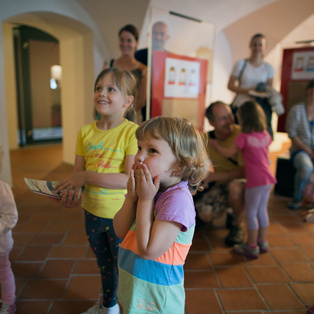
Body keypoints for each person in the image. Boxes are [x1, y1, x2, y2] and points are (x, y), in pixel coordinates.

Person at [55, 68, 138, 314]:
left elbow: (128, 179)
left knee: (125, 268)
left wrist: (85, 176)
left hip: (120, 217)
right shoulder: (85, 132)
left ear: (128, 100)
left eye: (111, 89)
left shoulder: (131, 132)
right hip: (91, 213)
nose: (102, 93)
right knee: (104, 266)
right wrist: (72, 194)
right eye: (98, 88)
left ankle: (133, 308)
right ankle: (109, 307)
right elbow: (78, 178)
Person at [113, 117, 210, 313]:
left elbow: (149, 250)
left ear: (180, 165)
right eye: (139, 147)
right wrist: (132, 199)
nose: (139, 157)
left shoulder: (177, 200)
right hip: (135, 286)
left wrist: (146, 200)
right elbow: (121, 231)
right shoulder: (150, 189)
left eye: (152, 151)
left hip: (157, 300)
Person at [209, 101, 276, 259]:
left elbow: (227, 153)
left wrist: (215, 145)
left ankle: (251, 246)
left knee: (251, 212)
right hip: (268, 178)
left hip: (255, 180)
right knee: (262, 211)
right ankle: (262, 241)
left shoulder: (243, 137)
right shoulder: (266, 135)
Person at [199, 101, 246, 246]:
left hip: (244, 183)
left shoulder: (242, 134)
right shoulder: (206, 139)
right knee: (204, 214)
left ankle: (238, 226)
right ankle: (231, 210)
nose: (230, 121)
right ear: (211, 122)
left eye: (230, 115)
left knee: (234, 188)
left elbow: (243, 171)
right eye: (223, 118)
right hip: (221, 184)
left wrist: (213, 176)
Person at [228, 33, 274, 138]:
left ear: (265, 47)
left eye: (260, 45)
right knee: (240, 135)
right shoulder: (241, 64)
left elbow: (269, 89)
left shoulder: (268, 68)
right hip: (242, 104)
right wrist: (248, 91)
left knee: (256, 136)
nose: (257, 47)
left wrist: (259, 94)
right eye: (255, 44)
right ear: (250, 46)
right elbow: (230, 85)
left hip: (258, 107)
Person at [107, 24, 147, 123]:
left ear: (136, 43)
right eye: (122, 40)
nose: (125, 44)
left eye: (129, 40)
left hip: (132, 118)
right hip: (111, 116)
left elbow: (141, 101)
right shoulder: (111, 65)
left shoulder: (143, 69)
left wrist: (123, 113)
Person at [285, 79, 314, 210]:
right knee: (306, 167)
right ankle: (297, 198)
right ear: (310, 91)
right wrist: (308, 151)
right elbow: (291, 133)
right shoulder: (297, 110)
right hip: (300, 150)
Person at [0, 143, 18, 314]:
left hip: (0, 244)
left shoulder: (2, 189)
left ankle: (8, 301)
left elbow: (10, 216)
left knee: (3, 270)